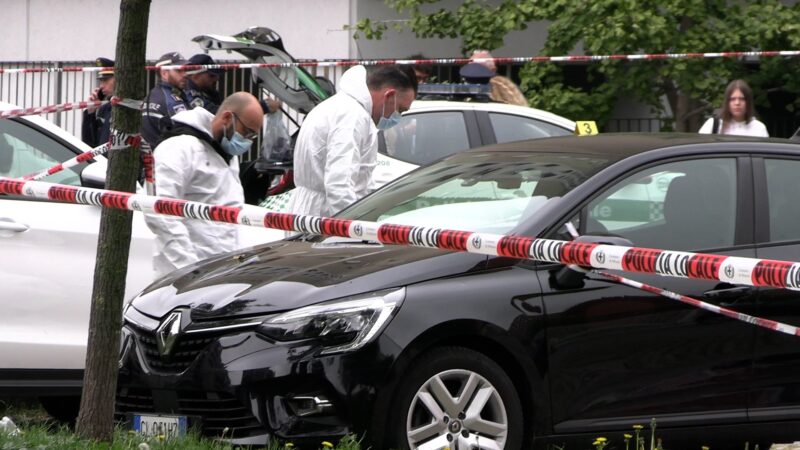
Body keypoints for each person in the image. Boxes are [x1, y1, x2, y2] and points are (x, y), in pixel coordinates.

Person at [144, 92, 263, 278]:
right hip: (184, 277)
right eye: (247, 132)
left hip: (220, 274)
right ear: (227, 118)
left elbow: (229, 219)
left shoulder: (226, 155)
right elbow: (160, 213)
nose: (248, 141)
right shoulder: (178, 148)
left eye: (253, 136)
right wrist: (189, 271)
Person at [288, 64, 417, 218]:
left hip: (314, 212)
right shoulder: (353, 117)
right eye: (400, 109)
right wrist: (355, 226)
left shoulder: (340, 106)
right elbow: (339, 186)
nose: (397, 117)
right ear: (389, 95)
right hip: (325, 216)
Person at [141, 51, 190, 148]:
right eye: (179, 70)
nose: (185, 74)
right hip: (168, 153)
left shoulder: (151, 95)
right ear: (164, 73)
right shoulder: (172, 101)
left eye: (185, 70)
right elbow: (188, 135)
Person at [699, 79, 768, 137]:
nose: (737, 103)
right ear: (727, 102)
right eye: (732, 99)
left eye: (742, 99)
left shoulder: (759, 128)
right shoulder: (714, 125)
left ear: (748, 102)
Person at [81, 57, 115, 147]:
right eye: (101, 81)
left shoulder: (131, 107)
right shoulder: (105, 109)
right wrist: (90, 113)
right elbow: (89, 144)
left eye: (105, 80)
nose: (101, 86)